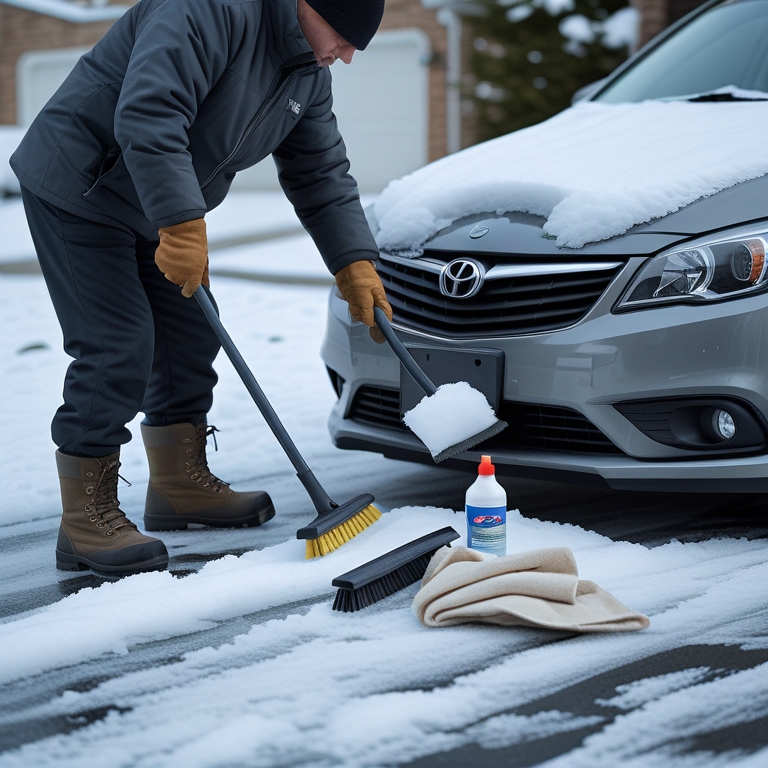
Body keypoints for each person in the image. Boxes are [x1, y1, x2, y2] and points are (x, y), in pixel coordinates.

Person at [10, 0, 393, 576]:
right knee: (117, 342)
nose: (345, 56)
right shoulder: (208, 10)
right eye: (341, 37)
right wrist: (183, 223)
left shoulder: (307, 74)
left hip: (159, 203)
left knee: (189, 335)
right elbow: (149, 112)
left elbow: (320, 172)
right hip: (82, 182)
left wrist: (354, 261)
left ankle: (176, 484)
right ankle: (86, 518)